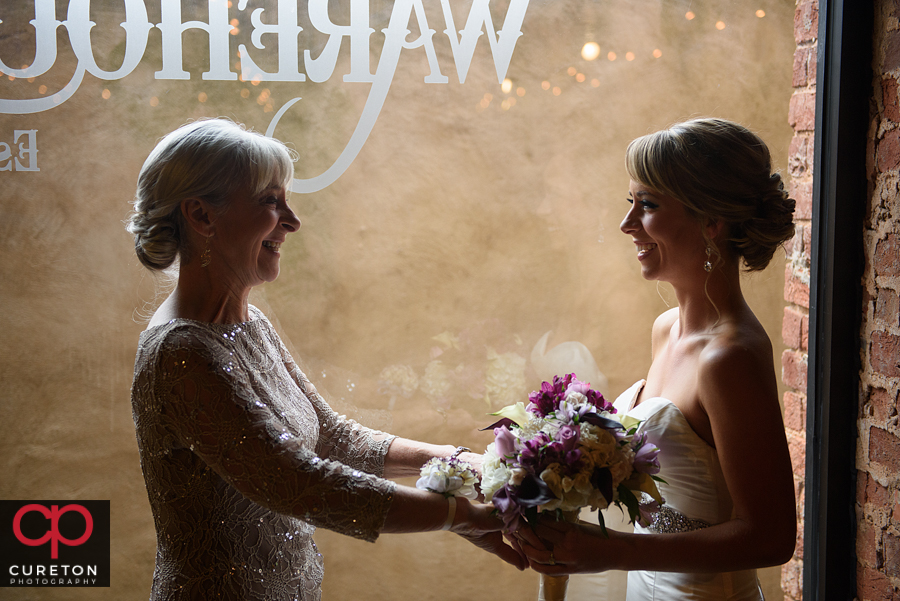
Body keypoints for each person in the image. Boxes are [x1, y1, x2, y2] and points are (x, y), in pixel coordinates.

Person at [126, 118, 525, 600]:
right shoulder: (180, 352)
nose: (292, 221)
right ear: (202, 216)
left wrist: (461, 460)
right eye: (270, 201)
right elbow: (298, 481)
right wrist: (457, 515)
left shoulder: (251, 325)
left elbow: (331, 436)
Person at [518, 118, 798, 599]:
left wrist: (612, 552)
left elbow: (771, 538)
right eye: (630, 203)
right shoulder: (665, 329)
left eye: (647, 205)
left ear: (711, 221)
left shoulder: (729, 357)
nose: (627, 224)